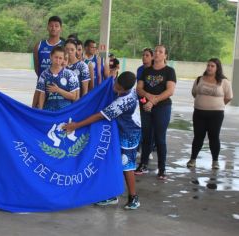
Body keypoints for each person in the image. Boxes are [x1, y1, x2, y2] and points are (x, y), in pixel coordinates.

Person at [64, 71, 141, 209]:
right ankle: (111, 195)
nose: (115, 86)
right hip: (121, 131)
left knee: (126, 166)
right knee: (112, 162)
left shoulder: (123, 102)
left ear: (125, 89)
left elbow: (100, 116)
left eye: (118, 86)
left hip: (129, 135)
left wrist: (76, 125)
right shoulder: (126, 90)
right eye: (116, 82)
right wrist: (110, 77)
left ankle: (133, 197)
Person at [135, 45, 176, 180]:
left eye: (160, 52)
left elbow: (170, 91)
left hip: (162, 108)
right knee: (146, 137)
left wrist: (154, 101)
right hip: (146, 107)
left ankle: (162, 168)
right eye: (155, 52)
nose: (157, 54)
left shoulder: (169, 71)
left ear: (165, 56)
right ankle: (143, 164)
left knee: (160, 138)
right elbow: (139, 89)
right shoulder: (146, 71)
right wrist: (148, 98)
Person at [186, 58, 233, 169]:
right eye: (208, 65)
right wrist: (203, 103)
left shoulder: (224, 82)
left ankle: (215, 161)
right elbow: (194, 93)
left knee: (214, 137)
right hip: (199, 113)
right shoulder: (199, 79)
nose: (209, 68)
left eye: (212, 66)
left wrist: (217, 105)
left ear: (217, 68)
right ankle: (193, 159)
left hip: (216, 115)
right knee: (198, 136)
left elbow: (228, 97)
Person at [32, 16, 63, 108]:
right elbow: (37, 67)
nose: (53, 28)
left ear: (61, 28)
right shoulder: (39, 45)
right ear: (47, 27)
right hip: (41, 87)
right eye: (51, 26)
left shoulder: (64, 46)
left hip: (60, 88)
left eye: (56, 26)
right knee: (38, 111)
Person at [36, 46, 79, 111]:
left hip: (65, 111)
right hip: (49, 110)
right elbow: (42, 94)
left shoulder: (70, 74)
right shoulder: (44, 74)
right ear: (51, 57)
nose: (58, 61)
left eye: (60, 58)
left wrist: (58, 90)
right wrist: (40, 111)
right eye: (56, 57)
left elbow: (73, 96)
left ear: (63, 59)